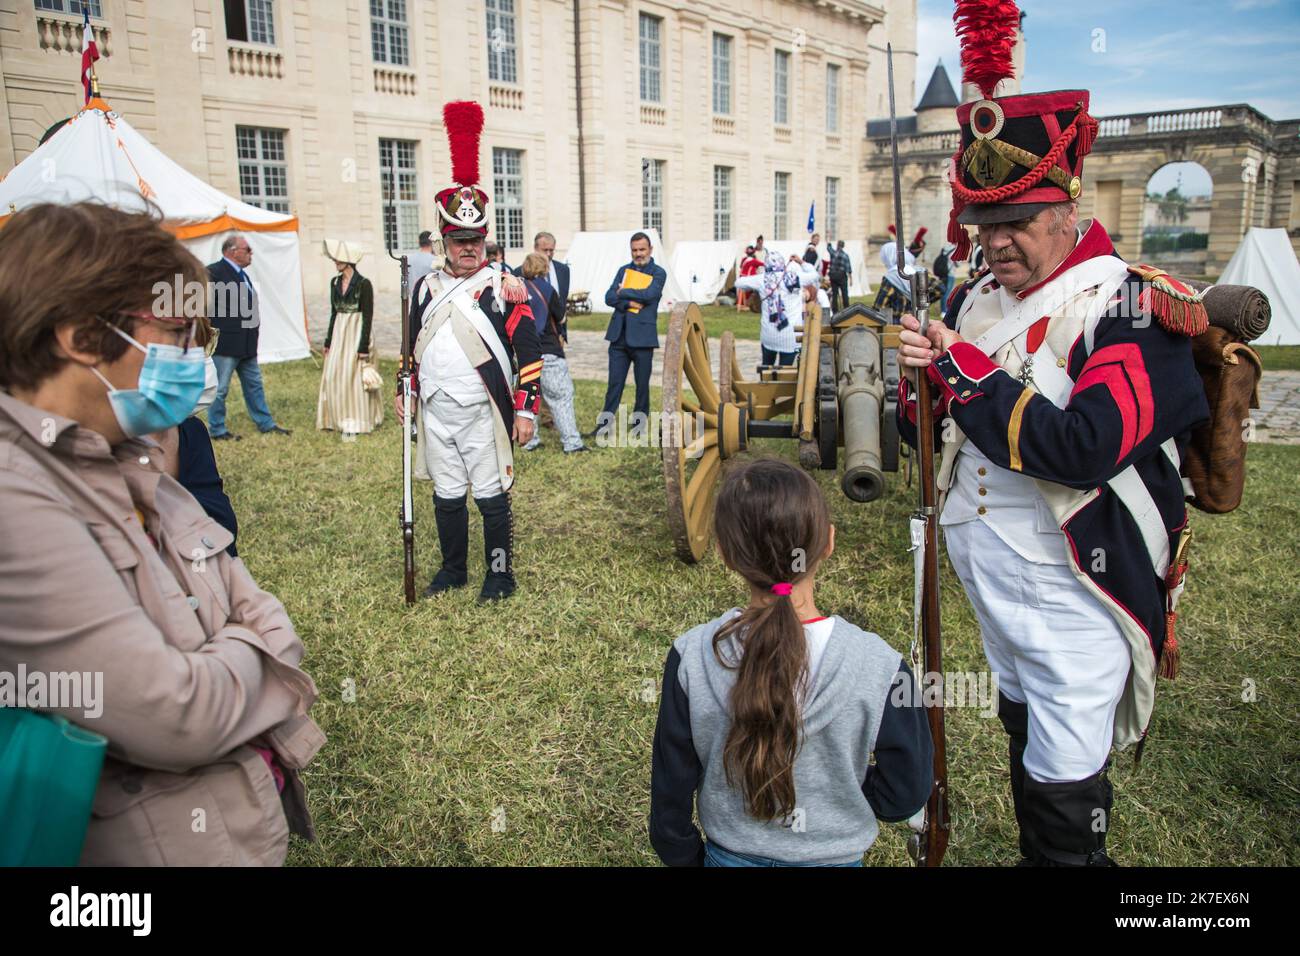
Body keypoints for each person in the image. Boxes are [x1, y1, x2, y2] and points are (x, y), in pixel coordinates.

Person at [896, 24, 1210, 866]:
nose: (997, 241)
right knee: (1024, 728)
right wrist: (915, 392)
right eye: (984, 221)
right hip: (990, 584)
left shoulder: (1132, 306)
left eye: (1020, 221)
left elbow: (1085, 444)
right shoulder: (973, 300)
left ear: (1069, 208)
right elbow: (931, 435)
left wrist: (960, 374)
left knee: (1068, 805)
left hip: (1079, 591)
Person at [0, 201, 324, 865]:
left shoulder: (127, 452)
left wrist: (226, 653)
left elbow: (248, 595)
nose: (190, 356)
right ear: (81, 338)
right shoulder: (16, 496)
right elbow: (178, 715)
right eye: (175, 331)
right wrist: (254, 648)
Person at [649, 459, 933, 866]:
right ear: (829, 543)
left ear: (725, 553)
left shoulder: (691, 656)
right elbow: (906, 791)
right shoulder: (879, 666)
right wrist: (844, 792)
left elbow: (670, 790)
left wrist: (685, 857)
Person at [394, 100, 543, 602]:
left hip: (483, 410)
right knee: (446, 494)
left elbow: (530, 352)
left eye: (475, 239)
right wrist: (405, 391)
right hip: (435, 407)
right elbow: (411, 350)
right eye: (458, 240)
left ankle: (499, 574)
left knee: (492, 497)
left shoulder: (505, 286)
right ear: (443, 239)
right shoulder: (424, 289)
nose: (468, 248)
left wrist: (525, 410)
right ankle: (453, 569)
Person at [206, 234, 291, 441]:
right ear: (233, 252)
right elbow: (204, 306)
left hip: (247, 344)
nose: (251, 253)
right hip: (226, 343)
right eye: (248, 249)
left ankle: (265, 423)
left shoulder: (243, 275)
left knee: (254, 385)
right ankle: (217, 429)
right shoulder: (213, 272)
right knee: (220, 389)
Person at [591, 232, 666, 437]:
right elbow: (608, 297)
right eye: (634, 250)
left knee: (642, 386)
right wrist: (629, 302)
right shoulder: (623, 270)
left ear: (650, 249)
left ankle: (638, 428)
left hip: (643, 337)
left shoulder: (658, 273)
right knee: (614, 384)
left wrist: (622, 292)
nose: (638, 253)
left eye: (642, 249)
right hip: (619, 338)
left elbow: (650, 295)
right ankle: (604, 426)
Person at [518, 251, 586, 453]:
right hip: (547, 350)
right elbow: (561, 317)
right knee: (561, 397)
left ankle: (530, 441)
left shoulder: (517, 289)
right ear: (544, 268)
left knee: (529, 397)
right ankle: (572, 443)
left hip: (522, 354)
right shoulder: (547, 289)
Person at [317, 240, 383, 438]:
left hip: (356, 331)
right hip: (339, 331)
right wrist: (328, 341)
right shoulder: (334, 282)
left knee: (354, 376)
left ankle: (358, 418)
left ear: (349, 260)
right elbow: (333, 312)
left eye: (339, 258)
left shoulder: (364, 284)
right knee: (334, 374)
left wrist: (363, 346)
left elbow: (367, 315)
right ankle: (333, 418)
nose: (336, 261)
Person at [734, 251, 818, 366]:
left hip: (769, 335)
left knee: (766, 368)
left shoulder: (761, 279)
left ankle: (765, 382)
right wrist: (801, 262)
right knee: (785, 372)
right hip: (791, 337)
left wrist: (755, 281)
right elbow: (815, 275)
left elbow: (738, 283)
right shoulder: (796, 277)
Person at [874, 225, 928, 315]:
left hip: (898, 322)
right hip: (917, 319)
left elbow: (879, 306)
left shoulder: (891, 277)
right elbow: (939, 288)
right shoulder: (918, 271)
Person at [828, 239, 852, 314]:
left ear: (837, 245)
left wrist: (828, 241)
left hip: (833, 276)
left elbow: (829, 248)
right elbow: (848, 268)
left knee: (834, 294)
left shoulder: (833, 253)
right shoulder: (845, 255)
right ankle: (846, 309)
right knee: (844, 293)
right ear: (843, 246)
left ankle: (835, 310)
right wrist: (851, 279)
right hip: (842, 276)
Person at [736, 244, 760, 311]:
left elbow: (757, 266)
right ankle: (743, 304)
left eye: (750, 249)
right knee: (744, 291)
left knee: (751, 291)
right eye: (748, 249)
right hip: (746, 277)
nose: (749, 251)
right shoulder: (744, 259)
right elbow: (741, 266)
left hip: (751, 276)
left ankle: (750, 304)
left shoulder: (754, 259)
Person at [933, 242, 953, 310]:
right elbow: (957, 264)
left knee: (943, 291)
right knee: (948, 293)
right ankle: (945, 310)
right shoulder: (954, 250)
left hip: (942, 274)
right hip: (950, 274)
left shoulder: (945, 248)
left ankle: (943, 309)